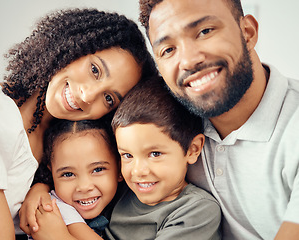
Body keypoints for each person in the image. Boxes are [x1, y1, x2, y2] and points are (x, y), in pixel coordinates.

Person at [0, 7, 157, 239]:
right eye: (94, 70)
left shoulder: (58, 143)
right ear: (73, 46)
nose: (87, 95)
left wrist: (40, 188)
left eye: (109, 98)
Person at [138, 0, 299, 239]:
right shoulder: (168, 127)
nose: (189, 61)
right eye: (168, 50)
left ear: (248, 32)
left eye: (204, 32)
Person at [105, 76, 221, 239]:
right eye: (127, 155)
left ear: (192, 149)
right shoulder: (120, 191)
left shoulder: (197, 210)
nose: (138, 171)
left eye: (155, 154)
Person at [28, 119, 121, 240]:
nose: (84, 186)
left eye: (97, 170)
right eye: (68, 174)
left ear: (120, 169)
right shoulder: (55, 208)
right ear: (52, 174)